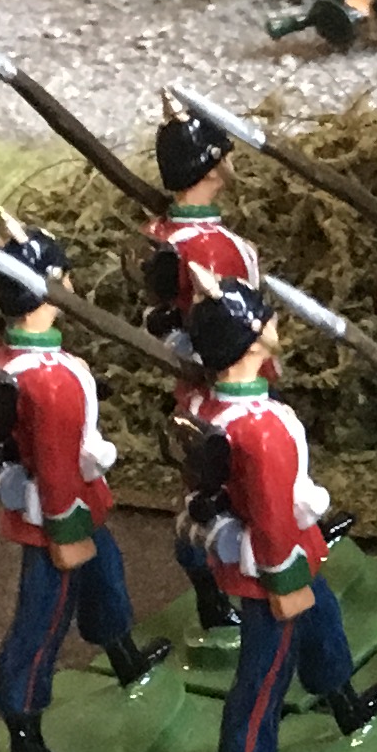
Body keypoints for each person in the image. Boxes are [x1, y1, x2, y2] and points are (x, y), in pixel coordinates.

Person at [180, 289, 377, 752]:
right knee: (264, 676)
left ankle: (342, 701)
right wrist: (286, 581)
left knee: (324, 623)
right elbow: (274, 518)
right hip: (276, 566)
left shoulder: (203, 406)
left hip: (282, 549)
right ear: (250, 340)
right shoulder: (262, 427)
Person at [0, 225, 169, 752]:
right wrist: (65, 534)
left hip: (77, 503)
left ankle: (124, 655)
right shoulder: (53, 381)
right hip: (58, 515)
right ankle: (25, 737)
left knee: (107, 578)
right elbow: (56, 469)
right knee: (41, 624)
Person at [144, 105, 264, 635]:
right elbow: (239, 320)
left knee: (202, 489)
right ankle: (235, 586)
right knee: (238, 495)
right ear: (212, 165)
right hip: (230, 380)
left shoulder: (162, 232)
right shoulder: (217, 249)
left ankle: (214, 593)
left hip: (194, 385)